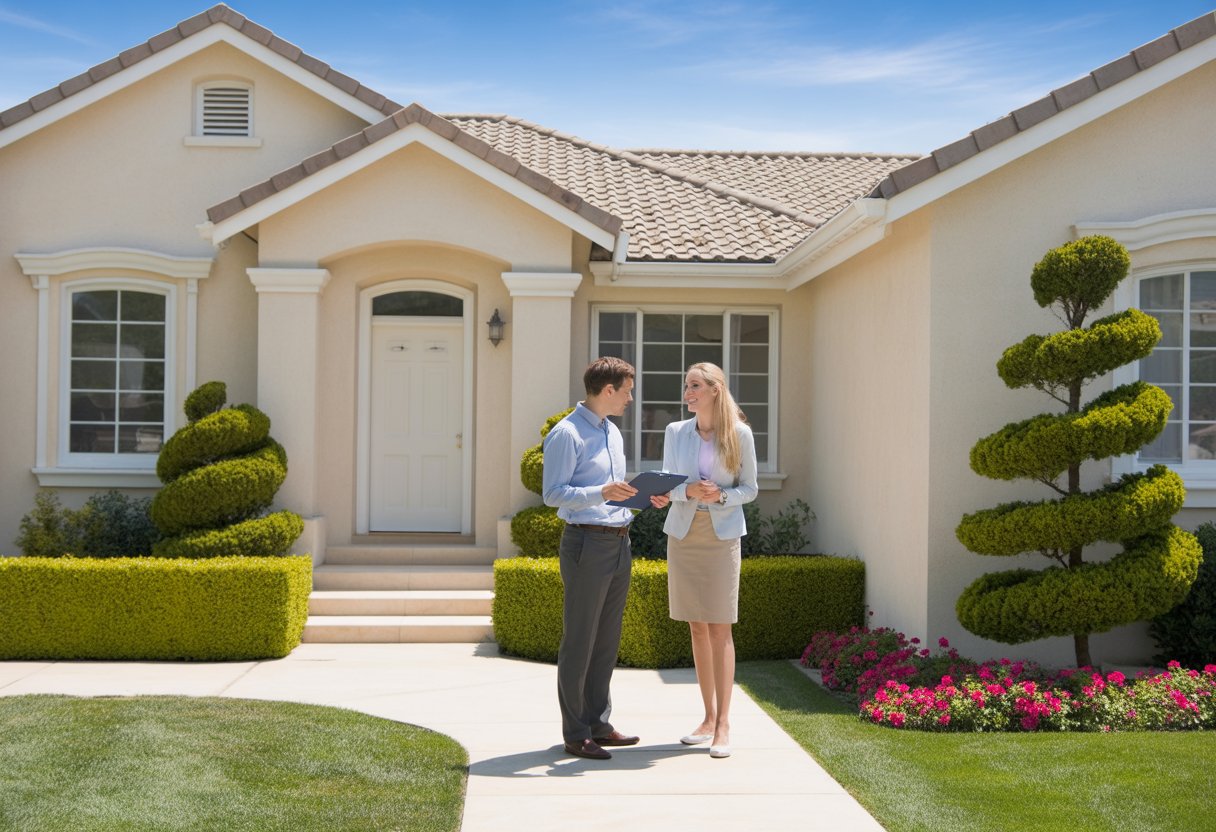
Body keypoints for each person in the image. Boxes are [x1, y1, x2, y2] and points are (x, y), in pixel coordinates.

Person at [542, 356, 664, 761]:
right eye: (627, 390)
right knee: (580, 640)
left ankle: (597, 723)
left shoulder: (612, 432)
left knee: (606, 641)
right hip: (586, 544)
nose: (631, 398)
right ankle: (575, 733)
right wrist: (601, 493)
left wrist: (643, 496)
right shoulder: (567, 434)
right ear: (608, 390)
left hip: (618, 541)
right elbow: (553, 494)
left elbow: (614, 490)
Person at [649, 362, 758, 759]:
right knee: (696, 627)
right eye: (686, 386)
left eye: (694, 385)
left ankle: (725, 723)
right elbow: (667, 485)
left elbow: (750, 489)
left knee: (719, 629)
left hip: (722, 536)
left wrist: (722, 496)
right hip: (683, 534)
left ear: (714, 389)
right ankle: (708, 718)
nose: (687, 392)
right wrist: (688, 491)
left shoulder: (739, 434)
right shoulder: (675, 432)